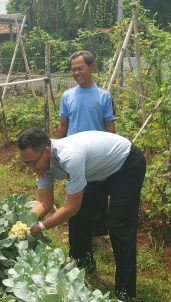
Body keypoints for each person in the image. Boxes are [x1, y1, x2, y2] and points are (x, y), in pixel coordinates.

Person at [18, 127, 146, 300]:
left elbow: (71, 207)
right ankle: (82, 262)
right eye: (26, 164)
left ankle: (126, 289)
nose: (31, 168)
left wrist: (39, 227)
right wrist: (24, 224)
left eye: (32, 163)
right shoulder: (43, 164)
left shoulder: (70, 158)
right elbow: (44, 203)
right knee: (81, 217)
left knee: (118, 226)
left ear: (47, 151)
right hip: (99, 170)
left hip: (127, 163)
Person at [56, 50, 116, 250]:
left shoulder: (104, 96)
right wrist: (57, 151)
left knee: (98, 196)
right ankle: (79, 234)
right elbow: (63, 125)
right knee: (76, 195)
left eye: (80, 68)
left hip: (97, 156)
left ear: (92, 67)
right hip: (74, 155)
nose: (76, 73)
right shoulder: (68, 96)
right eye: (73, 69)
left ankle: (96, 235)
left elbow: (110, 128)